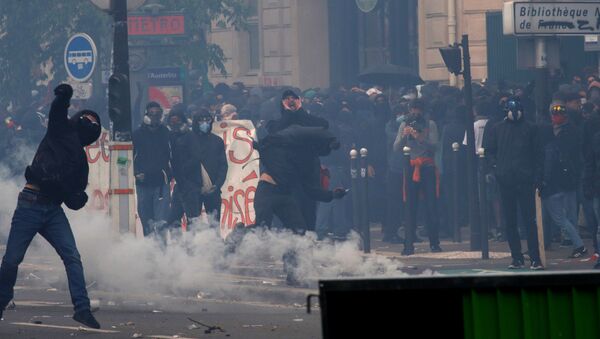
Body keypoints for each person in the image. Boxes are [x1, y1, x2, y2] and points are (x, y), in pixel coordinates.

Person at [0, 84, 101, 328]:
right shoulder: (60, 131)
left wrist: (78, 199)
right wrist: (63, 97)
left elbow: (74, 199)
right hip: (31, 202)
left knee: (72, 257)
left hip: (53, 209)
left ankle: (82, 308)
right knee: (12, 259)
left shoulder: (81, 162)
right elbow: (56, 112)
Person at [484, 98, 544, 270]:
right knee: (512, 221)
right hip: (508, 179)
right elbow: (490, 151)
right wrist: (496, 167)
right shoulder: (499, 129)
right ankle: (518, 257)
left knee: (528, 221)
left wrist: (538, 177)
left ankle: (532, 257)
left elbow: (538, 154)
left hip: (523, 179)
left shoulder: (530, 128)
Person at [393, 99, 442, 255]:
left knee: (431, 206)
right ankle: (409, 243)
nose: (415, 112)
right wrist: (404, 135)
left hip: (427, 167)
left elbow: (435, 145)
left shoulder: (430, 124)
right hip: (410, 167)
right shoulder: (404, 124)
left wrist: (419, 136)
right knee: (409, 206)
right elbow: (396, 147)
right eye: (413, 109)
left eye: (418, 110)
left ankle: (434, 242)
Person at [538, 103, 586, 258]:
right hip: (559, 178)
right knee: (561, 213)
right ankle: (565, 239)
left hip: (568, 177)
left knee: (569, 212)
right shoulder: (553, 131)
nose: (555, 117)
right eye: (553, 115)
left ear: (565, 116)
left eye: (558, 115)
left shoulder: (571, 132)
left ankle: (573, 240)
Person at [179, 109, 228, 226]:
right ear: (196, 122)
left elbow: (223, 166)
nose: (205, 123)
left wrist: (217, 185)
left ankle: (213, 244)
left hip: (213, 189)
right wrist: (191, 186)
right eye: (201, 121)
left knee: (214, 223)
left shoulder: (217, 141)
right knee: (194, 224)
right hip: (192, 190)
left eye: (207, 120)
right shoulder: (186, 140)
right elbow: (180, 166)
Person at [132, 102, 171, 237]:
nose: (155, 117)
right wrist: (135, 173)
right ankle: (149, 251)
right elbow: (125, 159)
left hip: (161, 184)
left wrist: (169, 175)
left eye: (157, 115)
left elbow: (173, 156)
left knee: (162, 222)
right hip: (143, 185)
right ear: (146, 116)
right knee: (146, 220)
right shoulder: (136, 134)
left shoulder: (166, 132)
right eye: (151, 114)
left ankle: (161, 252)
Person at [165, 104, 190, 238]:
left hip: (191, 183)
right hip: (180, 184)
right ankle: (178, 246)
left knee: (193, 219)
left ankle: (193, 248)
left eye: (178, 121)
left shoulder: (190, 137)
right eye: (172, 122)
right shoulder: (169, 138)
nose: (175, 125)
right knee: (173, 219)